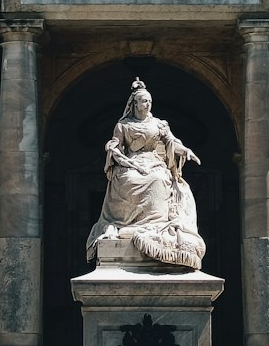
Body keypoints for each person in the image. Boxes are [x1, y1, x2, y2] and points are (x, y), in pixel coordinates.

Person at [86, 78, 206, 270]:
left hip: (154, 162)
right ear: (135, 104)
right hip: (131, 163)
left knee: (158, 179)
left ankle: (156, 225)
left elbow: (171, 141)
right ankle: (127, 225)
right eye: (143, 101)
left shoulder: (159, 124)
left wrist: (186, 151)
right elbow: (116, 145)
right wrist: (114, 151)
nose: (147, 104)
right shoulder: (123, 125)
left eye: (149, 101)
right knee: (127, 178)